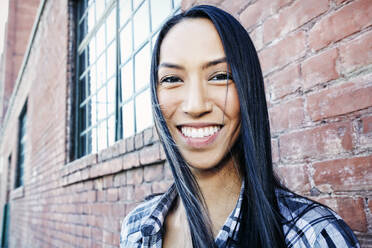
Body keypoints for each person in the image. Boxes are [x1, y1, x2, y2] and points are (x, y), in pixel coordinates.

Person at [120, 5, 360, 248]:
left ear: (248, 86)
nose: (195, 106)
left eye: (220, 76)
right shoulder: (136, 228)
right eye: (172, 79)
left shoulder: (315, 237)